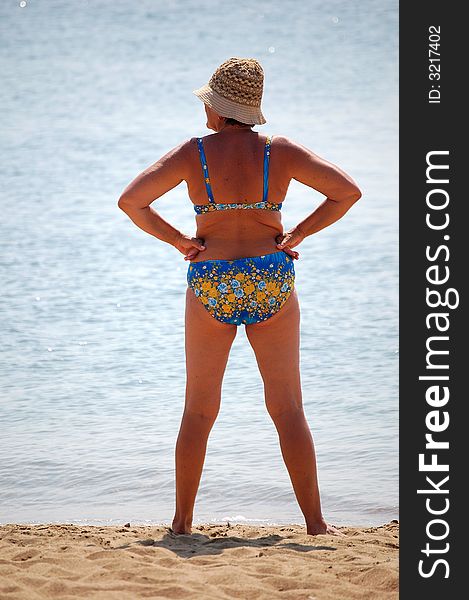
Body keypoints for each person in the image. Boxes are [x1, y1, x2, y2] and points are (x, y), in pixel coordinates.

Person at [118, 57, 361, 536]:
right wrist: (297, 234)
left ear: (218, 108)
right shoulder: (280, 151)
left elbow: (131, 201)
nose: (204, 112)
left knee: (199, 409)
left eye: (207, 103)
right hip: (270, 276)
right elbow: (346, 192)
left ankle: (182, 523)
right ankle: (315, 524)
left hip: (212, 279)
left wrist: (180, 242)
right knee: (288, 407)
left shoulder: (194, 153)